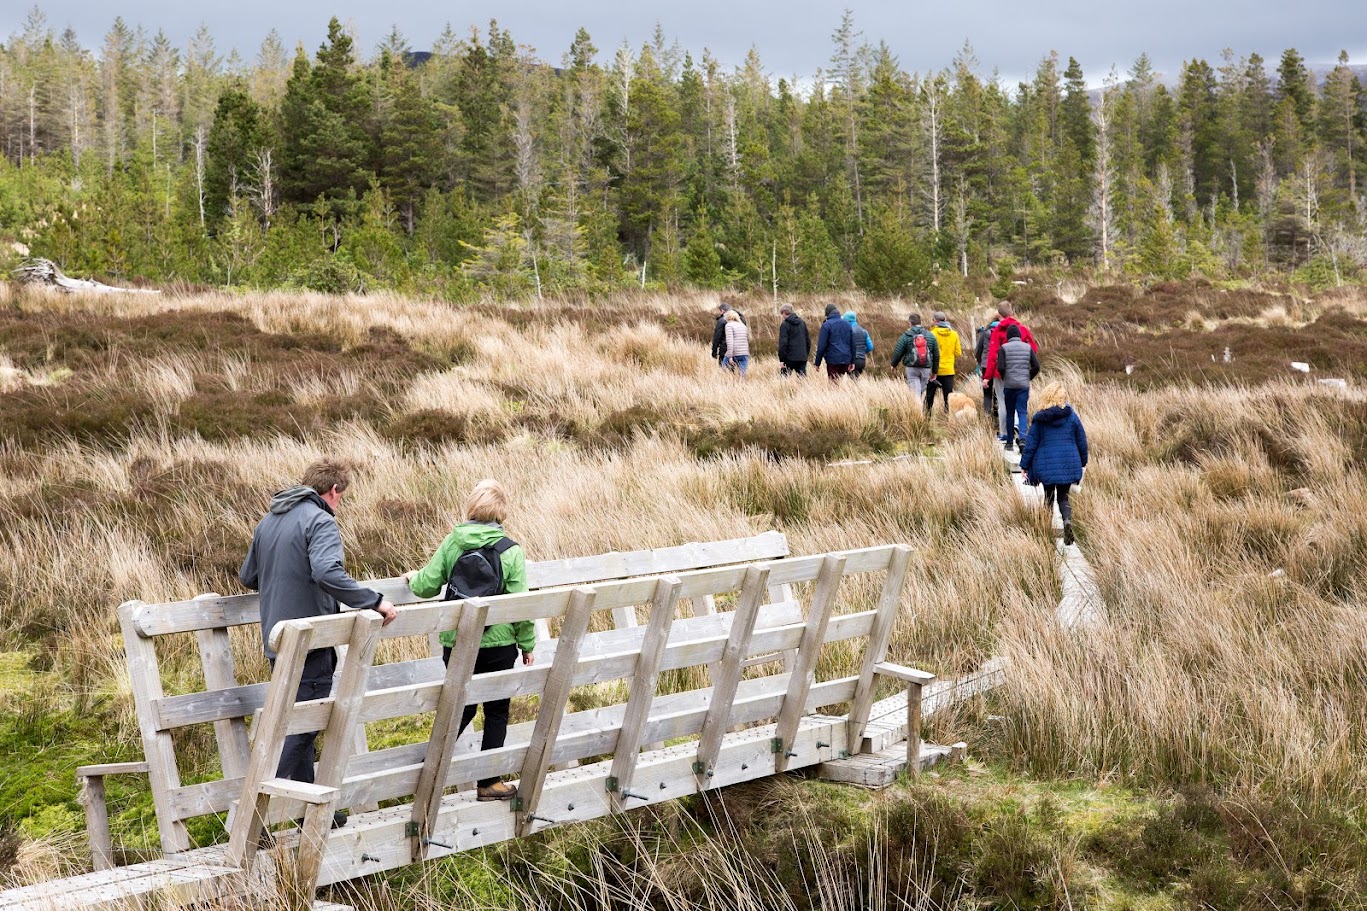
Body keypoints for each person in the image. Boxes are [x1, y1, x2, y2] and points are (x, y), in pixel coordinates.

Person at [239, 460, 398, 821]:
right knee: (305, 725)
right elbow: (327, 571)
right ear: (334, 492)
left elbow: (248, 576)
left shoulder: (269, 521)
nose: (339, 504)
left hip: (276, 639)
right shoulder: (321, 520)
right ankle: (255, 812)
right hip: (310, 639)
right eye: (341, 498)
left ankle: (306, 810)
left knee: (298, 721)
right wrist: (374, 600)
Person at [405, 479, 535, 802]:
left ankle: (428, 769)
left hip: (459, 643)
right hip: (499, 645)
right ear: (501, 513)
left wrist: (411, 579)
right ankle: (489, 782)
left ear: (472, 507)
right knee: (496, 711)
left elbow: (426, 585)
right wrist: (527, 644)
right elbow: (521, 606)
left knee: (460, 707)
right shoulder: (511, 551)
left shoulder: (454, 543)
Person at [1020, 382, 1089, 546]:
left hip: (1046, 466)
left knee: (1048, 498)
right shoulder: (1072, 417)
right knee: (1064, 498)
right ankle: (1067, 521)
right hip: (1068, 463)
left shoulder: (1039, 419)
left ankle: (1046, 533)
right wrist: (1083, 462)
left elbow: (1030, 444)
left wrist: (1024, 465)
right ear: (1062, 397)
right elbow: (1082, 441)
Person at [982, 302, 1039, 440]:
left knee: (1002, 403)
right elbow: (1034, 349)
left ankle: (1004, 433)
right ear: (1012, 312)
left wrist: (987, 377)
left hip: (1000, 373)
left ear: (998, 315)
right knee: (1020, 405)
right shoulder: (1023, 329)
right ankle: (1019, 429)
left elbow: (992, 357)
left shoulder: (997, 331)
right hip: (1020, 373)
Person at [993, 324, 1040, 450]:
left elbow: (1001, 367)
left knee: (1010, 413)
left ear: (1008, 336)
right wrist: (1028, 377)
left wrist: (1005, 378)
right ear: (1019, 335)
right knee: (1022, 413)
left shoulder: (1004, 348)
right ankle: (1023, 439)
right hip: (1023, 385)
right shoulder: (1028, 347)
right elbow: (1036, 366)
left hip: (1009, 385)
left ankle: (1009, 442)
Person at [889, 313, 939, 404]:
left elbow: (898, 351)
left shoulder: (906, 336)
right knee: (919, 392)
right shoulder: (930, 336)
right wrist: (935, 371)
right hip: (926, 368)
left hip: (912, 368)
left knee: (915, 394)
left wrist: (894, 364)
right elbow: (936, 355)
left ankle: (917, 414)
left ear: (910, 323)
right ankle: (918, 412)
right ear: (921, 322)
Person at [925, 311, 962, 413]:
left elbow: (927, 352)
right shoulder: (954, 334)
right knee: (948, 397)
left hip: (934, 371)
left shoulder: (932, 334)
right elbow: (958, 353)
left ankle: (926, 418)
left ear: (935, 321)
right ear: (945, 320)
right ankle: (947, 419)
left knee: (929, 396)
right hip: (949, 370)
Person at [813, 303, 855, 381]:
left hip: (833, 360)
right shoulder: (847, 324)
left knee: (833, 384)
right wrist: (852, 361)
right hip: (846, 359)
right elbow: (852, 344)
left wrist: (817, 363)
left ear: (827, 314)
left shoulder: (826, 325)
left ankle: (835, 393)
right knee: (839, 381)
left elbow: (822, 346)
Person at [974, 317, 1001, 420]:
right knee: (998, 392)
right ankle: (997, 414)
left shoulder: (985, 333)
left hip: (986, 365)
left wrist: (979, 361)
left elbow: (978, 350)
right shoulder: (1004, 332)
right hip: (999, 365)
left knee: (987, 392)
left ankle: (987, 415)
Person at [776, 303, 810, 376]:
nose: (782, 316)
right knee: (803, 381)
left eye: (782, 313)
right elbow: (808, 341)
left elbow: (783, 343)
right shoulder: (802, 323)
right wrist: (805, 354)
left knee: (784, 380)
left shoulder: (784, 325)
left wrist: (781, 359)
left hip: (789, 358)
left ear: (784, 313)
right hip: (802, 357)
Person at [710, 303, 744, 367]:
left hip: (725, 350)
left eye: (720, 311)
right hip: (740, 350)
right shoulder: (740, 320)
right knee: (736, 369)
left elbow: (717, 337)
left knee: (724, 369)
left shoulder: (722, 321)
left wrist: (714, 351)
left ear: (722, 311)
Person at [843, 310, 874, 378]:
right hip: (861, 361)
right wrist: (861, 351)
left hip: (851, 361)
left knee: (851, 381)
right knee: (855, 379)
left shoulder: (847, 331)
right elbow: (870, 347)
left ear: (847, 321)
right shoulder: (864, 331)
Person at [723, 309, 750, 376]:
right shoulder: (743, 325)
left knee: (724, 368)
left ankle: (726, 383)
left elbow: (730, 342)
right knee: (742, 373)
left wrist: (730, 356)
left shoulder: (729, 325)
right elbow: (747, 339)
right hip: (744, 353)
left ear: (727, 317)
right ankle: (741, 385)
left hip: (735, 352)